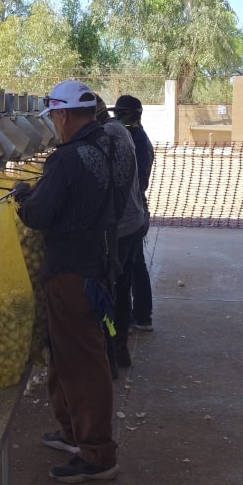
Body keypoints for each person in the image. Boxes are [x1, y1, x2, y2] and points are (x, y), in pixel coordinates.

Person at [11, 79, 129, 483]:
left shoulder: (67, 158)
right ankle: (72, 433)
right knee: (65, 354)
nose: (55, 126)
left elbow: (38, 216)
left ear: (61, 115)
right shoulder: (111, 143)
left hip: (71, 272)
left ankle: (97, 453)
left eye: (54, 118)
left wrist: (22, 197)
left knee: (83, 362)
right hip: (99, 262)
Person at [96, 96, 148, 370]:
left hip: (121, 227)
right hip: (131, 221)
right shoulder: (119, 132)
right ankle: (120, 349)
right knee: (123, 286)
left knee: (110, 292)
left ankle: (112, 352)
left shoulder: (107, 137)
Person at [111, 95, 156, 333]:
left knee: (133, 265)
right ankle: (139, 314)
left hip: (134, 209)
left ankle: (139, 315)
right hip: (137, 209)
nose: (116, 118)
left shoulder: (133, 138)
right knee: (135, 263)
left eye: (119, 113)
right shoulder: (136, 136)